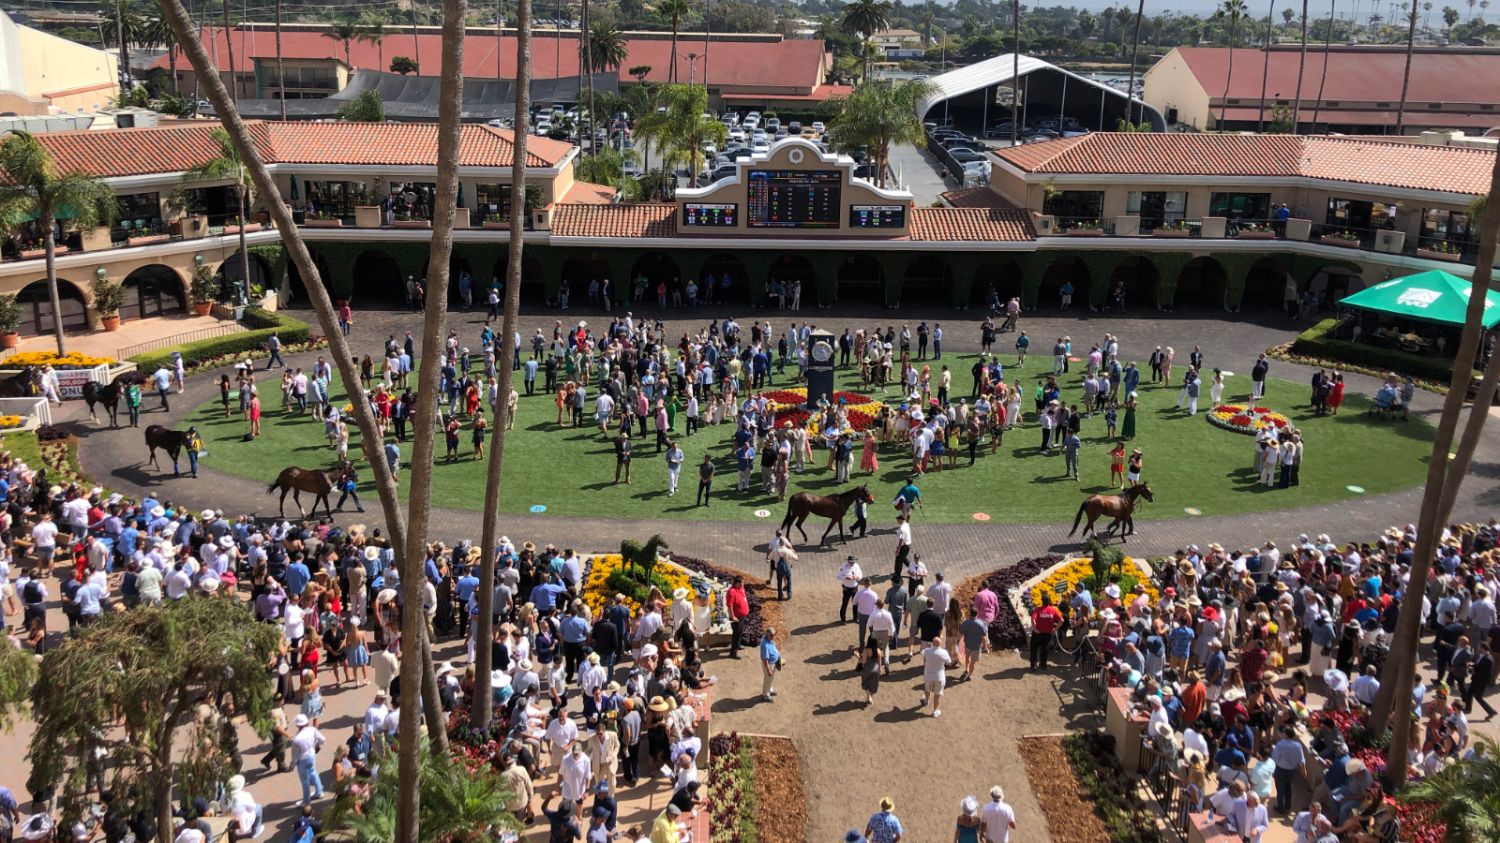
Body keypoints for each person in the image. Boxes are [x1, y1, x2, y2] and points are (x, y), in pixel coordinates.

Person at [1029, 594, 1062, 670]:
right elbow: (1061, 620)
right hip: (1048, 634)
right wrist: (1055, 629)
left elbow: (1033, 620)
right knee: (1045, 650)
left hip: (1037, 634)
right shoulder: (1053, 610)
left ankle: (1034, 665)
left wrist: (1034, 629)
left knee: (1034, 649)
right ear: (1049, 601)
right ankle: (1043, 664)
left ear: (1042, 601)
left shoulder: (1037, 609)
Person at [922, 635, 950, 717]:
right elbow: (949, 661)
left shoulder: (927, 651)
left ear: (932, 643)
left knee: (927, 690)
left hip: (928, 675)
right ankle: (935, 711)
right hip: (939, 677)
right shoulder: (944, 652)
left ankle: (926, 701)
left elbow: (923, 658)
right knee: (937, 695)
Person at [760, 628, 780, 702]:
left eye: (774, 635)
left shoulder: (769, 639)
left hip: (773, 663)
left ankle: (770, 689)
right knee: (767, 680)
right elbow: (765, 660)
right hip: (769, 665)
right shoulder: (765, 645)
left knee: (771, 679)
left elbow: (774, 647)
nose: (773, 637)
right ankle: (765, 695)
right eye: (772, 635)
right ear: (767, 634)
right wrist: (769, 670)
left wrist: (778, 656)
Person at [859, 638, 882, 704]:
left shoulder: (866, 650)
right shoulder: (878, 650)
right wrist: (879, 669)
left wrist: (858, 657)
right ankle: (869, 697)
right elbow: (879, 663)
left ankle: (868, 696)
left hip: (867, 670)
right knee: (873, 686)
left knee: (865, 684)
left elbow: (863, 662)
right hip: (876, 670)